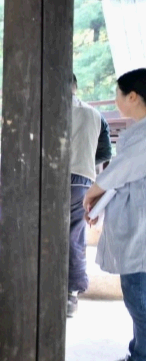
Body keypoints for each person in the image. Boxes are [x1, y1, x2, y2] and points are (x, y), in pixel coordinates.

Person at [83, 68, 146, 361]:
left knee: (140, 301)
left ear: (133, 97)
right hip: (135, 227)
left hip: (141, 232)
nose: (117, 98)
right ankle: (137, 358)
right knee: (137, 297)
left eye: (119, 93)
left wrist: (92, 192)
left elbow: (120, 172)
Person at [67, 74, 113, 317]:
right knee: (74, 236)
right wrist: (85, 163)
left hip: (49, 179)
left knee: (41, 234)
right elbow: (105, 151)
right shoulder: (95, 114)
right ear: (76, 86)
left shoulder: (46, 109)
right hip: (82, 181)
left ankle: (39, 290)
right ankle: (71, 295)